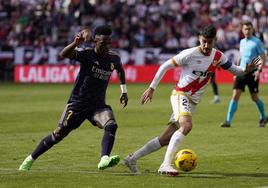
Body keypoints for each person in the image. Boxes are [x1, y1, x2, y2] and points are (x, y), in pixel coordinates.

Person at [123, 25, 259, 176]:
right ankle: (165, 164)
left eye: (209, 42)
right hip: (181, 95)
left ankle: (132, 158)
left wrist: (247, 68)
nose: (206, 46)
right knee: (186, 126)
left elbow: (235, 70)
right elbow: (165, 66)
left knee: (166, 138)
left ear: (215, 40)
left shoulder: (218, 56)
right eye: (203, 42)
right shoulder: (189, 54)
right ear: (199, 40)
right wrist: (152, 88)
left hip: (192, 101)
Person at [19, 25, 128, 171]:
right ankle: (29, 159)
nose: (106, 47)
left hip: (97, 105)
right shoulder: (87, 54)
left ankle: (104, 159)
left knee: (111, 125)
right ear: (95, 42)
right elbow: (64, 54)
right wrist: (75, 44)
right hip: (77, 104)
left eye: (109, 43)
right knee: (57, 135)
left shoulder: (113, 58)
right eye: (103, 44)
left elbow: (120, 70)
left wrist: (124, 91)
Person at [220, 21, 267, 128]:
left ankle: (263, 117)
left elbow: (263, 57)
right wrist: (235, 71)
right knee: (235, 96)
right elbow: (240, 57)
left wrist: (258, 71)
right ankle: (228, 121)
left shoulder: (257, 42)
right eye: (245, 29)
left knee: (254, 98)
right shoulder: (242, 42)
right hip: (241, 72)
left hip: (252, 73)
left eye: (249, 29)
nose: (247, 31)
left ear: (252, 29)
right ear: (242, 30)